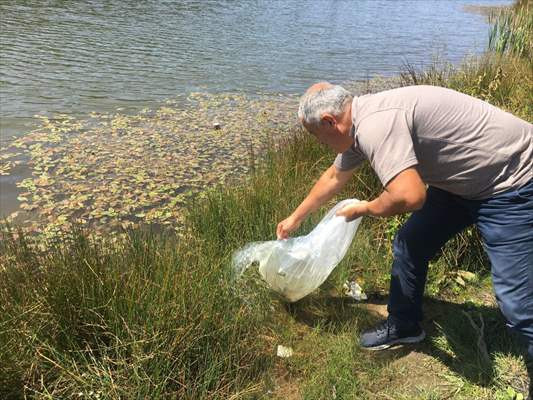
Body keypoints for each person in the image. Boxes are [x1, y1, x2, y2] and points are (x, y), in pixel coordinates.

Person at [277, 82, 532, 391]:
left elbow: (410, 196)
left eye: (316, 136)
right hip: (462, 182)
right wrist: (294, 219)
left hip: (512, 181)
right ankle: (404, 325)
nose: (320, 143)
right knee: (411, 243)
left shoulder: (375, 125)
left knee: (518, 305)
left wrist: (365, 209)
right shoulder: (356, 124)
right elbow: (333, 177)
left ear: (330, 121)